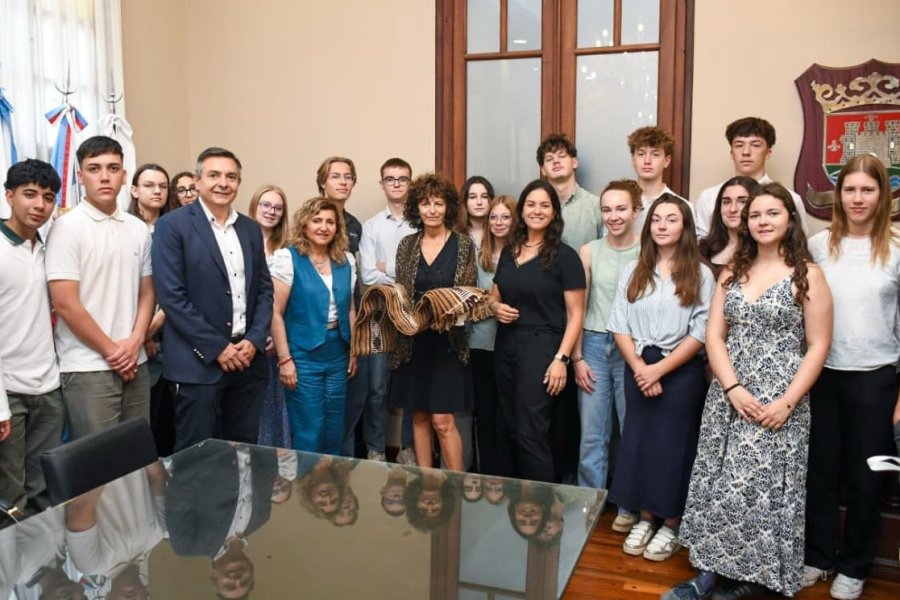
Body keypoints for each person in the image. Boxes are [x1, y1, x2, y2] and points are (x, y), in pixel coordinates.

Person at [666, 182, 832, 599]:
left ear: (790, 219)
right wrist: (733, 388)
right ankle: (708, 574)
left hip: (780, 400)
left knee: (759, 490)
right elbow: (715, 336)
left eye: (772, 213)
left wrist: (788, 402)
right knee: (719, 484)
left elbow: (819, 345)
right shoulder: (731, 273)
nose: (762, 221)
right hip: (730, 397)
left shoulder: (807, 275)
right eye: (755, 214)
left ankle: (755, 583)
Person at [803, 154, 900, 600]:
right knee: (820, 471)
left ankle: (854, 566)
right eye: (850, 189)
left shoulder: (896, 247)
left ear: (883, 195)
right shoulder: (819, 245)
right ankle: (818, 557)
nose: (858, 198)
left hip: (875, 378)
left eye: (867, 189)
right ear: (838, 196)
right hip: (822, 375)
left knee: (866, 477)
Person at [606, 194, 714, 562]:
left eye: (671, 219)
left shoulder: (701, 273)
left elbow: (701, 333)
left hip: (679, 372)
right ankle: (644, 516)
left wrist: (658, 370)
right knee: (639, 444)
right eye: (656, 220)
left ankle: (670, 523)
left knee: (672, 448)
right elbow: (619, 324)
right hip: (638, 366)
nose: (662, 226)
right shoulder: (634, 269)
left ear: (685, 227)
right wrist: (639, 368)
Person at [152, 147, 273, 451]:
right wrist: (217, 347)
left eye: (231, 176)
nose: (223, 182)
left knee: (244, 452)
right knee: (198, 458)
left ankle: (240, 502)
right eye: (214, 175)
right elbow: (172, 296)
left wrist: (255, 339)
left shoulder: (250, 228)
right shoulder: (173, 226)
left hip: (248, 362)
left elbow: (263, 290)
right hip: (199, 365)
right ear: (197, 180)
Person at [46, 136, 154, 439]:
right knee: (98, 466)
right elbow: (65, 303)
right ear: (80, 176)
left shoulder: (137, 228)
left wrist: (134, 342)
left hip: (136, 361)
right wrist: (113, 352)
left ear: (123, 174)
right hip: (87, 366)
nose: (104, 176)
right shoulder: (67, 228)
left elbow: (147, 292)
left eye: (113, 168)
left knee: (136, 458)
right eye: (94, 168)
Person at [489, 179, 586, 483]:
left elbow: (576, 314)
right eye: (530, 204)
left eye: (545, 205)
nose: (537, 210)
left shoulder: (565, 256)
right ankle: (516, 503)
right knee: (508, 426)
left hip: (543, 348)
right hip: (505, 346)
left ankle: (542, 507)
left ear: (554, 213)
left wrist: (562, 359)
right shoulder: (510, 251)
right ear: (522, 210)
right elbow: (495, 293)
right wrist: (494, 307)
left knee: (532, 429)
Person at [389, 173, 476, 471]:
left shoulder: (463, 245)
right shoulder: (406, 245)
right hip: (413, 344)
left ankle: (454, 483)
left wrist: (442, 312)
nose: (432, 210)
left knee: (443, 420)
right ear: (417, 208)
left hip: (448, 344)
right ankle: (429, 485)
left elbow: (468, 293)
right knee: (419, 416)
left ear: (448, 207)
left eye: (439, 203)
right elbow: (401, 290)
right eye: (426, 204)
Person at [572, 180, 641, 525]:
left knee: (632, 429)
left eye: (621, 208)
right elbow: (578, 307)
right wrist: (577, 357)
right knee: (593, 432)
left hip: (634, 349)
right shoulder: (589, 251)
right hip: (595, 345)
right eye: (607, 209)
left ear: (636, 210)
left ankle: (628, 505)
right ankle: (592, 500)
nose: (613, 216)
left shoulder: (649, 250)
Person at [0, 159, 64, 520]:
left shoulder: (49, 248)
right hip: (8, 392)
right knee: (11, 497)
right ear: (9, 195)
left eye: (48, 197)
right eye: (29, 195)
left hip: (48, 389)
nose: (39, 205)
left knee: (44, 492)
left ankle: (42, 570)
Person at [270, 197, 356, 454]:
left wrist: (353, 350)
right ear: (305, 224)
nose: (323, 227)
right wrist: (285, 359)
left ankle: (330, 492)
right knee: (310, 429)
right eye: (317, 220)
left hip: (338, 352)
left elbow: (350, 308)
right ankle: (305, 491)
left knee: (333, 428)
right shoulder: (288, 258)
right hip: (302, 354)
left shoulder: (347, 260)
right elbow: (274, 312)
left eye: (330, 222)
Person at [347, 158, 417, 463]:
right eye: (391, 179)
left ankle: (408, 449)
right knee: (376, 389)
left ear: (410, 183)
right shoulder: (371, 226)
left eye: (403, 179)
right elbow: (368, 277)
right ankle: (375, 448)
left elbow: (420, 275)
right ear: (382, 184)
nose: (397, 184)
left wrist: (388, 266)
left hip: (415, 317)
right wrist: (403, 273)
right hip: (379, 318)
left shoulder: (421, 223)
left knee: (413, 388)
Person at [128, 163, 177, 456]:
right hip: (129, 339)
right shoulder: (125, 228)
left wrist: (150, 330)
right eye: (149, 185)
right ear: (134, 190)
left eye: (162, 186)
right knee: (135, 427)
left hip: (168, 335)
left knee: (165, 424)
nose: (157, 191)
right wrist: (140, 335)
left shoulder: (173, 229)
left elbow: (177, 289)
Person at [694, 117, 807, 237]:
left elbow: (798, 243)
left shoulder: (791, 199)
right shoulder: (709, 197)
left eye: (755, 145)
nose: (746, 152)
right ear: (732, 153)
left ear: (768, 153)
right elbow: (702, 247)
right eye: (739, 145)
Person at [470, 194, 517, 476]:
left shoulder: (524, 255)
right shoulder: (478, 257)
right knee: (485, 416)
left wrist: (493, 300)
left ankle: (510, 475)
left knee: (509, 416)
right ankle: (489, 475)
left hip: (513, 346)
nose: (499, 223)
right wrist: (492, 303)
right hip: (481, 344)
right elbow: (471, 298)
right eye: (494, 217)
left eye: (505, 217)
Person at [248, 184, 292, 449]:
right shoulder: (238, 241)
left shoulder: (287, 250)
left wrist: (276, 338)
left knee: (273, 405)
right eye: (266, 205)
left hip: (275, 339)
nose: (271, 212)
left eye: (277, 208)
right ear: (255, 206)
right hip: (244, 338)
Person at [536, 133, 602, 250]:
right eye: (549, 159)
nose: (556, 161)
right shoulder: (534, 209)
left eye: (562, 156)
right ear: (543, 170)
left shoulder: (596, 206)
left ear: (574, 162)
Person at [627, 126, 693, 233]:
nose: (647, 161)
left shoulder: (683, 207)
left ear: (667, 161)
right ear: (633, 160)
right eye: (641, 154)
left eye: (655, 154)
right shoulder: (619, 203)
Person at [697, 176, 759, 278]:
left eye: (742, 201)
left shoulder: (763, 252)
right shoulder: (704, 250)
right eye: (726, 202)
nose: (732, 209)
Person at [316, 156, 362, 254]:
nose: (343, 182)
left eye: (348, 177)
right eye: (335, 176)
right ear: (322, 182)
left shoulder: (354, 225)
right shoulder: (309, 218)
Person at [461, 175, 494, 250]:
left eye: (484, 197)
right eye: (472, 197)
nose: (479, 202)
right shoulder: (455, 234)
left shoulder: (498, 230)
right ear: (465, 201)